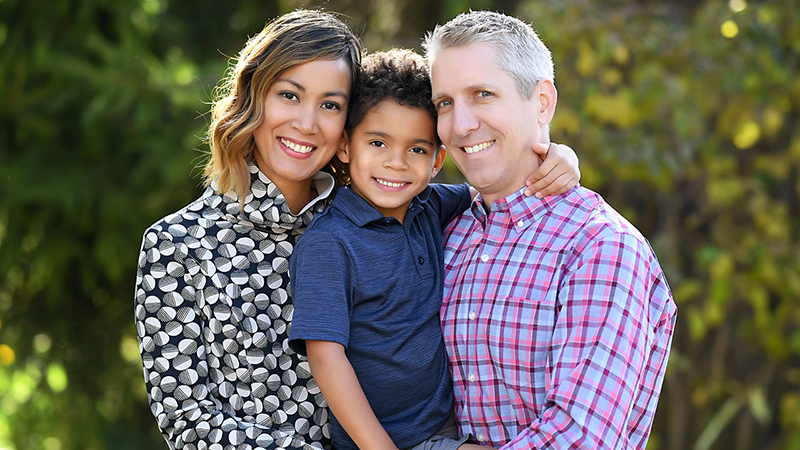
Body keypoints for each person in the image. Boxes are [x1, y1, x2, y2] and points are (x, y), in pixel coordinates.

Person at [134, 10, 578, 450]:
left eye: (330, 105)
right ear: (254, 98)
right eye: (289, 95)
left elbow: (491, 191)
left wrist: (549, 155)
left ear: (343, 128)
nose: (307, 122)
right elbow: (189, 421)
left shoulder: (391, 204)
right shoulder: (178, 244)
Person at [288, 49, 576, 450]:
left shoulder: (430, 206)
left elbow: (504, 185)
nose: (396, 163)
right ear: (345, 148)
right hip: (388, 441)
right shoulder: (330, 242)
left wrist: (559, 156)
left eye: (417, 149)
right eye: (377, 143)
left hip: (448, 425)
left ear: (438, 160)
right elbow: (325, 356)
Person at [424, 10, 677, 450]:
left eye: (483, 94)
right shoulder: (444, 231)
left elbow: (579, 440)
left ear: (542, 102)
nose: (460, 125)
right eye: (445, 103)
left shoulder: (601, 248)